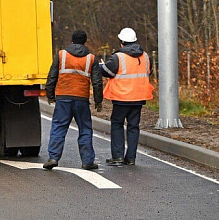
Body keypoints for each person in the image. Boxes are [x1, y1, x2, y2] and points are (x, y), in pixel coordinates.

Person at [43, 30, 103, 171]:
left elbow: (52, 76)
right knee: (85, 129)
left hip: (63, 97)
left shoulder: (61, 55)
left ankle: (53, 158)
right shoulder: (91, 58)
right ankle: (87, 161)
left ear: (72, 40)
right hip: (81, 99)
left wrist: (50, 95)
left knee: (58, 127)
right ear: (85, 42)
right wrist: (98, 101)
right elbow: (97, 82)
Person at [101, 27, 154, 166]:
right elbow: (149, 71)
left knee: (117, 124)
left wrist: (101, 66)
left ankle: (118, 156)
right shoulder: (146, 56)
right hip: (139, 97)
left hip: (122, 98)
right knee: (133, 127)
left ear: (122, 42)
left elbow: (107, 72)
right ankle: (131, 158)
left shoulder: (118, 57)